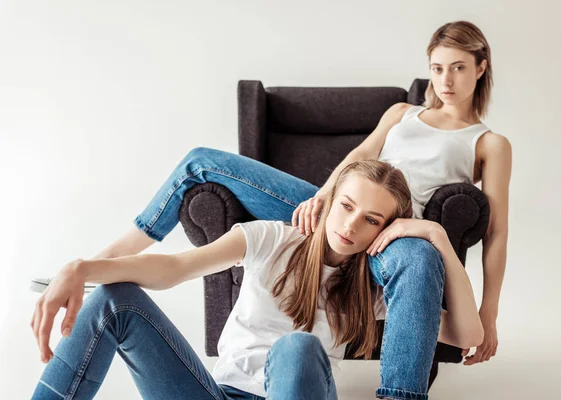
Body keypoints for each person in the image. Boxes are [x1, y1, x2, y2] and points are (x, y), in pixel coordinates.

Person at [31, 19, 511, 397]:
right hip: (346, 199)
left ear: (480, 67)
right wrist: (325, 198)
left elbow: (497, 232)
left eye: (459, 67)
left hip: (398, 232)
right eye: (437, 67)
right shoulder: (403, 114)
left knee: (304, 342)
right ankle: (111, 259)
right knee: (200, 162)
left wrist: (486, 309)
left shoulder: (488, 141)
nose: (446, 79)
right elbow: (360, 160)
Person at [30, 160, 483, 400]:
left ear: (384, 229)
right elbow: (175, 268)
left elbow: (467, 334)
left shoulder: (369, 287)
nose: (350, 226)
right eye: (345, 206)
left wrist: (438, 239)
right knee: (116, 299)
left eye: (370, 220)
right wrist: (82, 267)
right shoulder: (271, 238)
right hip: (216, 394)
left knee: (297, 347)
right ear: (329, 199)